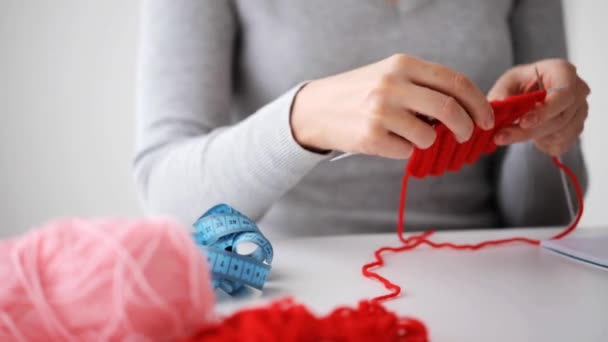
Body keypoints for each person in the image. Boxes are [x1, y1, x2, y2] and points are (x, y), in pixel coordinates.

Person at [133, 0, 589, 239]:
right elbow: (166, 198)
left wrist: (543, 131)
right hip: (293, 286)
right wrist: (301, 120)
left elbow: (545, 217)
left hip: (490, 280)